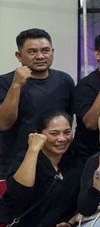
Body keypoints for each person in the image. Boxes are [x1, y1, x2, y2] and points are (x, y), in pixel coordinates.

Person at [0, 29, 75, 175]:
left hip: (55, 163)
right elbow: (4, 123)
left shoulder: (64, 80)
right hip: (13, 164)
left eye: (45, 50)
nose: (40, 56)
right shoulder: (4, 82)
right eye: (32, 52)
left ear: (52, 51)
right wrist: (16, 85)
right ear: (19, 56)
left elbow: (69, 121)